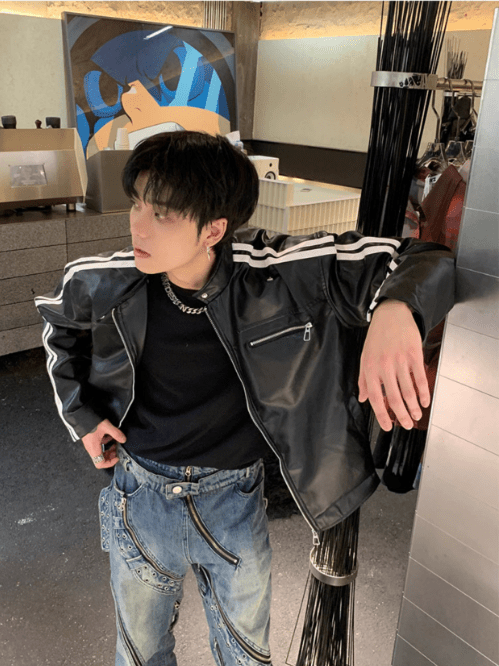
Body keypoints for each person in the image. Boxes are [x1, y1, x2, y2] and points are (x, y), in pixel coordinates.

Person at [35, 131, 455, 666]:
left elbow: (423, 258)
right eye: (137, 203)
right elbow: (58, 330)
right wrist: (83, 417)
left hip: (233, 500)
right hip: (140, 497)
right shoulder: (105, 280)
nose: (137, 224)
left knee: (246, 656)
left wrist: (397, 310)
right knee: (139, 653)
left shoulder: (277, 272)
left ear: (214, 229)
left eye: (162, 214)